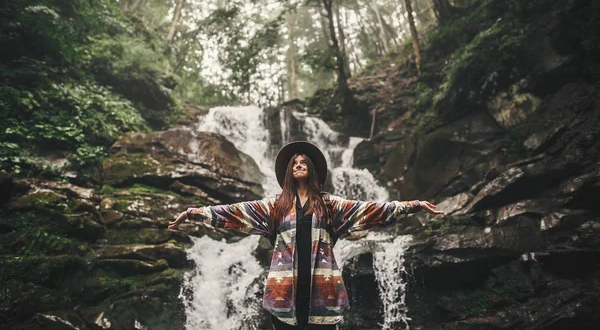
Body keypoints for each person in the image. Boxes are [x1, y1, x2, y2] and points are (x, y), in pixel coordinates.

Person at [168, 141, 443, 329]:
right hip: (282, 297)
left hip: (322, 295)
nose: (298, 164)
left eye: (303, 161)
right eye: (294, 162)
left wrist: (411, 206)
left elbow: (369, 209)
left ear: (311, 169)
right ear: (289, 171)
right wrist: (195, 212)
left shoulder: (330, 205)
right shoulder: (274, 206)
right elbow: (235, 212)